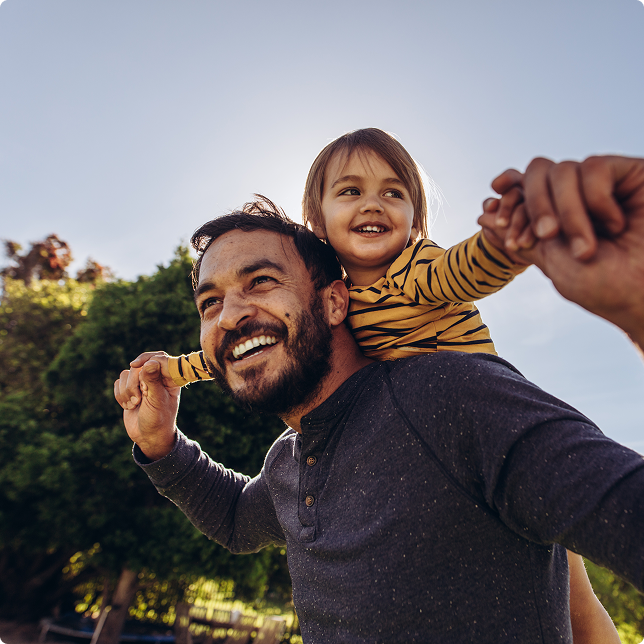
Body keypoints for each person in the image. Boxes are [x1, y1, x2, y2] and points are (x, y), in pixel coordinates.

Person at [114, 171, 644, 641]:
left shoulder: (448, 394)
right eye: (210, 303)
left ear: (334, 302)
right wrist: (161, 445)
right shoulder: (288, 462)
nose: (229, 316)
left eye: (262, 281)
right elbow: (233, 519)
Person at [164, 128, 528, 386]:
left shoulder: (416, 265)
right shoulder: (335, 301)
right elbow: (249, 343)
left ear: (415, 220)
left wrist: (503, 244)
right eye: (351, 191)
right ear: (317, 219)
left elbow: (462, 272)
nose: (373, 204)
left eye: (393, 193)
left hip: (485, 398)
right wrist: (171, 372)